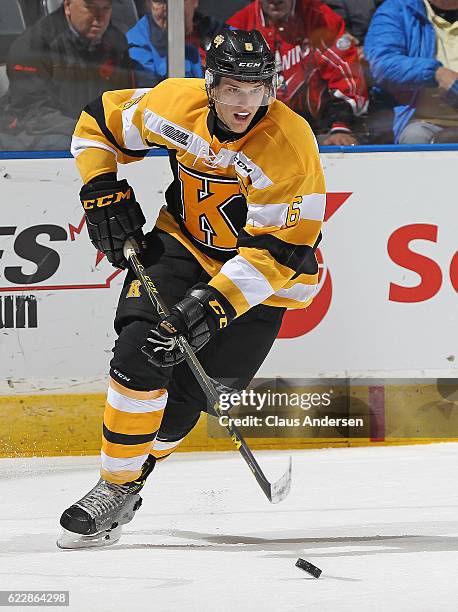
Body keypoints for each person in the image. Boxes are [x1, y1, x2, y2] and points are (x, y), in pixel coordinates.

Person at [57, 29, 325, 548]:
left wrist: (211, 308)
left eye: (257, 89)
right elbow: (96, 124)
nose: (245, 103)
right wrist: (100, 186)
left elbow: (281, 253)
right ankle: (112, 489)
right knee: (140, 350)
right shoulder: (171, 104)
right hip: (181, 246)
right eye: (233, 89)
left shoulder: (290, 145)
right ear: (211, 85)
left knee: (184, 402)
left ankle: (135, 479)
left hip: (263, 282)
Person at [227, 0, 368, 145]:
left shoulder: (321, 18)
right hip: (259, 131)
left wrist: (340, 126)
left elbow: (347, 76)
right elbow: (227, 88)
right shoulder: (239, 27)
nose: (276, 1)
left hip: (321, 130)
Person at [0, 0, 132, 150]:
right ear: (68, 6)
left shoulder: (116, 42)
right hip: (39, 136)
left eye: (106, 8)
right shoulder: (34, 45)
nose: (99, 17)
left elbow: (124, 98)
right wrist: (88, 130)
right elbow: (32, 112)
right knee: (60, 143)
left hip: (95, 134)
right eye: (90, 7)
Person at [365, 0, 458, 144]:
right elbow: (382, 63)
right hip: (423, 121)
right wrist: (438, 74)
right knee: (414, 139)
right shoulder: (398, 9)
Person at [126, 0, 203, 87]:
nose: (168, 8)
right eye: (159, 1)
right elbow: (151, 94)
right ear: (148, 3)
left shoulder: (209, 30)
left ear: (195, 1)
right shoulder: (136, 43)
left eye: (178, 1)